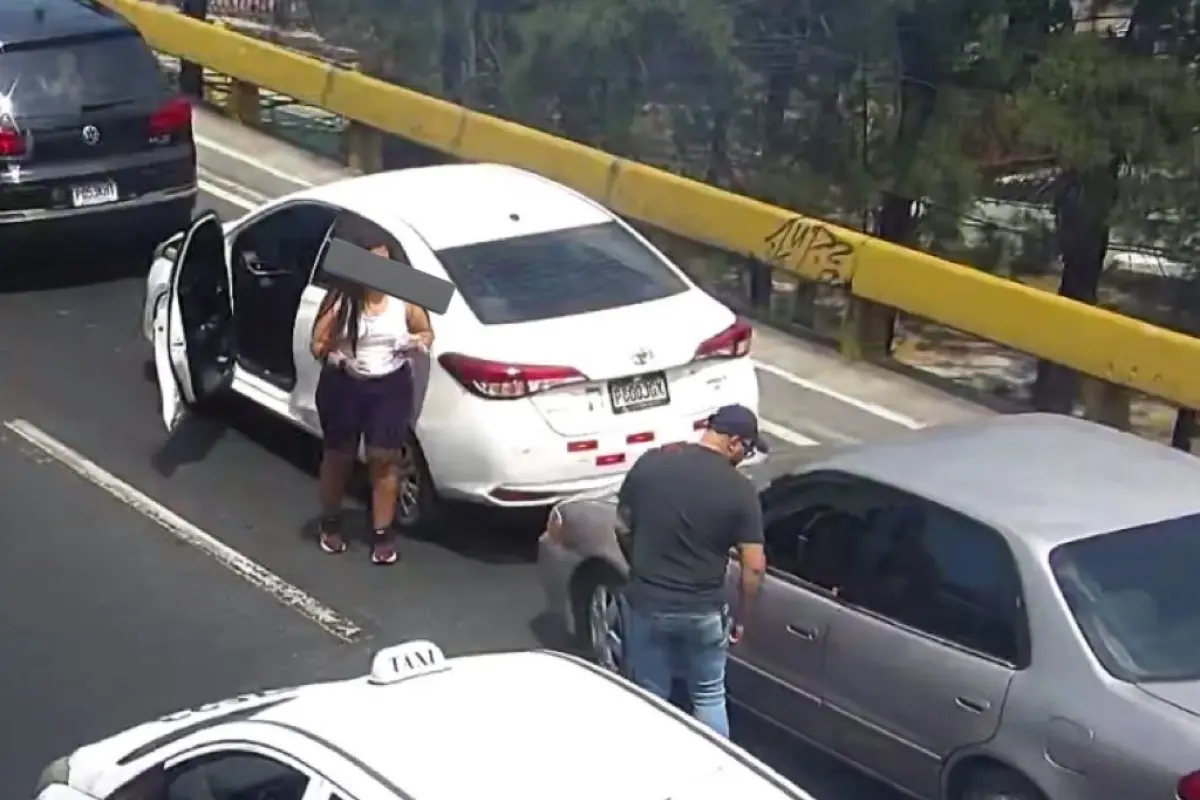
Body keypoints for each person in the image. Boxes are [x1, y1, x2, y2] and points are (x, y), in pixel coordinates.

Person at [615, 404, 769, 737]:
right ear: (734, 443)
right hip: (703, 610)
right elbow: (754, 567)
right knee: (709, 693)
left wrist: (639, 566)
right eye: (748, 448)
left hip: (647, 601)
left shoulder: (651, 464)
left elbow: (623, 526)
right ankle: (712, 771)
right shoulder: (740, 490)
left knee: (651, 692)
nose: (746, 456)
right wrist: (742, 617)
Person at [309, 220, 435, 564]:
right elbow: (318, 344)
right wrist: (340, 359)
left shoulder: (404, 299)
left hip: (388, 386)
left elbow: (425, 332)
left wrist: (414, 343)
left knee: (384, 458)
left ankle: (382, 533)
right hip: (345, 385)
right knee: (339, 456)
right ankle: (330, 522)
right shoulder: (341, 301)